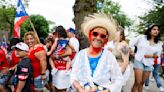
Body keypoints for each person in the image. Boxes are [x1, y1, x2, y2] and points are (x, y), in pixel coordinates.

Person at [71, 13, 123, 92]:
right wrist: (79, 88)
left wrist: (108, 90)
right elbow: (73, 75)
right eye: (95, 34)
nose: (98, 38)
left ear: (106, 40)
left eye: (102, 36)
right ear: (90, 35)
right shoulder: (81, 54)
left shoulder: (109, 57)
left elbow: (118, 79)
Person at [129, 24, 163, 92]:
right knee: (137, 82)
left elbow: (158, 55)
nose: (156, 31)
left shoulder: (159, 43)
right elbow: (131, 44)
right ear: (150, 31)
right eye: (154, 29)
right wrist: (131, 51)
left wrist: (149, 56)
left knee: (142, 83)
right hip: (139, 61)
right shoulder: (141, 38)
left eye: (157, 30)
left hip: (149, 64)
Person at [47, 26, 72, 92]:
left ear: (57, 33)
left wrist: (52, 53)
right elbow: (71, 48)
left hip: (61, 70)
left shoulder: (57, 40)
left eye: (55, 34)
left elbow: (70, 52)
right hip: (59, 69)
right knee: (57, 87)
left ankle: (64, 70)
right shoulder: (67, 40)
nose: (54, 35)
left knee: (61, 88)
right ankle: (67, 70)